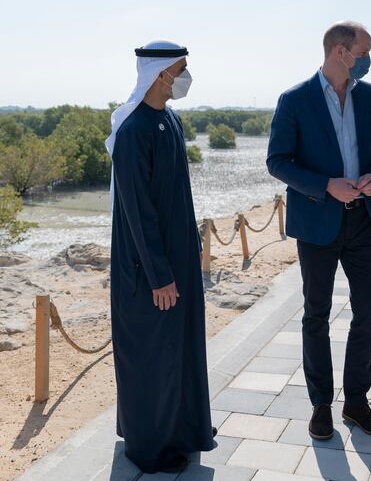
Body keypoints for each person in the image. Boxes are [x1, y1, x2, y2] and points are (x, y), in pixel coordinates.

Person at [267, 21, 371, 440]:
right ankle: (321, 404)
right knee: (316, 315)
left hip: (363, 221)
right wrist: (325, 186)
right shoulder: (294, 100)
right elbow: (278, 161)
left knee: (368, 314)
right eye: (365, 51)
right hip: (317, 224)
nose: (369, 59)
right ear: (341, 51)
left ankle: (356, 403)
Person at [105, 41, 215, 474]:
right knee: (153, 356)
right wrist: (159, 276)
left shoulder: (170, 119)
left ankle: (183, 433)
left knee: (180, 349)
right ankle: (151, 447)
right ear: (159, 73)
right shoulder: (133, 132)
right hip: (147, 269)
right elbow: (137, 212)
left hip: (178, 261)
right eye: (180, 69)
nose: (185, 77)